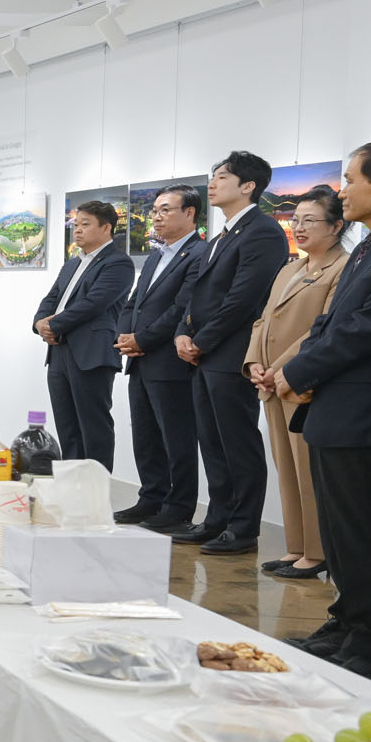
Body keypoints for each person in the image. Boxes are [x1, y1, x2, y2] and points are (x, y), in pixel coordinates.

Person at [275, 139, 371, 684]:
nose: (344, 191)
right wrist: (303, 366)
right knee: (337, 531)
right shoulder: (370, 245)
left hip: (364, 408)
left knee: (364, 530)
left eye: (352, 179)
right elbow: (332, 321)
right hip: (335, 404)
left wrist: (301, 371)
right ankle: (348, 620)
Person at [175, 151, 287, 555]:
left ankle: (243, 528)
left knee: (238, 442)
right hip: (206, 354)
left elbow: (243, 298)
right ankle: (217, 519)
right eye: (214, 175)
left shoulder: (263, 231)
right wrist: (182, 333)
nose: (213, 183)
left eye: (223, 176)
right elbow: (197, 293)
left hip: (233, 353)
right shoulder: (222, 233)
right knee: (211, 441)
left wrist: (201, 340)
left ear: (248, 186)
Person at [244, 187, 349, 581]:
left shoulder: (342, 268)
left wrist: (280, 369)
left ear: (336, 226)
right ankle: (297, 546)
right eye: (295, 219)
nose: (299, 227)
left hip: (304, 382)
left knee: (308, 472)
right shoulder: (290, 269)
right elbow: (263, 320)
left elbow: (322, 330)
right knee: (286, 469)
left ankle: (317, 552)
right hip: (271, 383)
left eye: (310, 220)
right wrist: (255, 363)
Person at [114, 185, 207, 531]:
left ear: (190, 213)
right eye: (155, 210)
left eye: (166, 209)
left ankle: (178, 507)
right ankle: (151, 497)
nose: (156, 216)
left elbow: (182, 308)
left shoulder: (200, 253)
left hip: (170, 360)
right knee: (146, 436)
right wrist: (124, 336)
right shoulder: (156, 255)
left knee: (176, 438)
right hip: (140, 359)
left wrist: (143, 339)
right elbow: (133, 302)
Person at [32, 199, 132, 468]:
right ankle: (71, 484)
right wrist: (39, 323)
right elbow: (52, 298)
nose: (77, 230)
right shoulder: (72, 264)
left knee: (94, 427)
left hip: (91, 354)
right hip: (59, 352)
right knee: (67, 427)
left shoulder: (118, 263)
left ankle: (95, 487)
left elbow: (93, 304)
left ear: (106, 228)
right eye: (76, 224)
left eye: (85, 224)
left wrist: (53, 326)